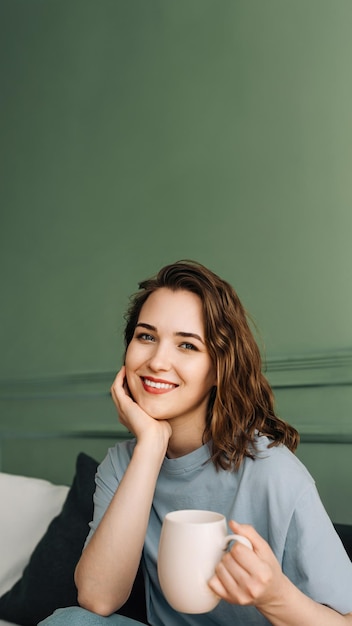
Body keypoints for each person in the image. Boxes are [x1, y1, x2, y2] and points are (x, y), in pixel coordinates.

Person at [39, 260, 352, 626]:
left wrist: (276, 597)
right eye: (146, 336)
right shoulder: (123, 464)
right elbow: (98, 597)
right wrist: (152, 446)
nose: (157, 361)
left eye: (187, 345)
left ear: (218, 368)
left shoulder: (274, 472)